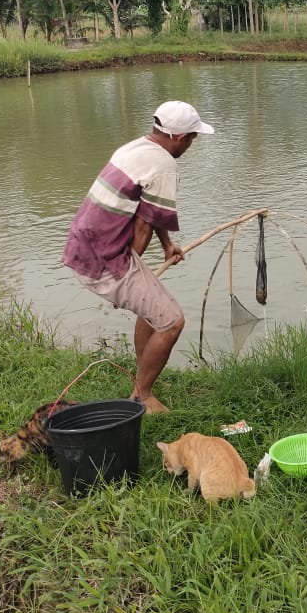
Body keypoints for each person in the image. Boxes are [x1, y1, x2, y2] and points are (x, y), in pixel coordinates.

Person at [62, 101, 214, 414]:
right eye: (191, 137)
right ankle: (142, 397)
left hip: (82, 245)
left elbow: (149, 211)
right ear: (179, 137)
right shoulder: (164, 165)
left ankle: (141, 380)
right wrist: (127, 274)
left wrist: (167, 245)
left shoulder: (134, 148)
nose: (191, 143)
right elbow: (142, 228)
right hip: (105, 258)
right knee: (171, 322)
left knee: (151, 311)